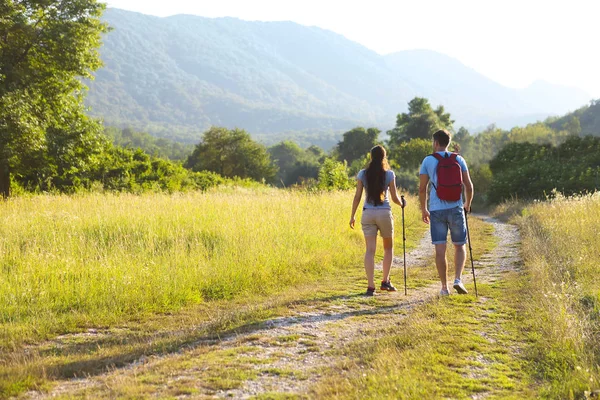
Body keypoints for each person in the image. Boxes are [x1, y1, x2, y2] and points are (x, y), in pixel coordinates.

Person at [419, 129, 474, 296]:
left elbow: (422, 189)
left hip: (436, 210)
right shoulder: (458, 159)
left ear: (436, 143)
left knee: (440, 249)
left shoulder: (428, 160)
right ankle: (458, 279)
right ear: (448, 143)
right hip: (456, 207)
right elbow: (469, 186)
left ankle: (444, 288)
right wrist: (467, 204)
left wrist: (424, 209)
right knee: (459, 245)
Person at [350, 145, 406, 296]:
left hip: (367, 213)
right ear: (384, 157)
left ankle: (370, 287)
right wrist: (402, 204)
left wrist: (352, 215)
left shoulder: (362, 174)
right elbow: (394, 198)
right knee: (388, 248)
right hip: (384, 213)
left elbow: (357, 196)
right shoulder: (389, 174)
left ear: (371, 157)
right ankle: (385, 281)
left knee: (370, 250)